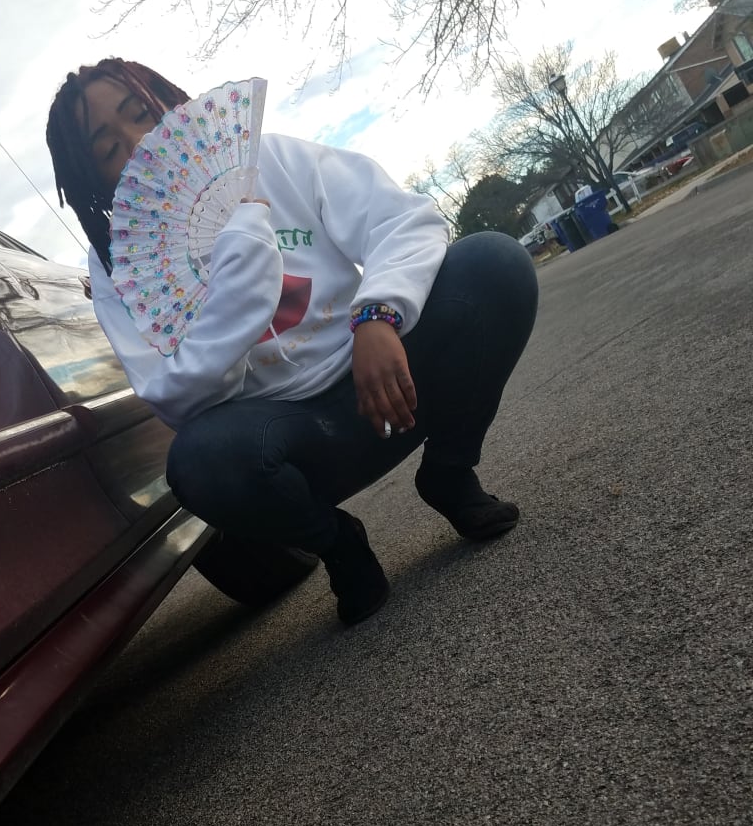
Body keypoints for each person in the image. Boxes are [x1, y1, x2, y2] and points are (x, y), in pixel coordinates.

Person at [46, 58, 537, 625]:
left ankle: (449, 473)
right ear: (94, 179)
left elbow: (403, 221)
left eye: (141, 114)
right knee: (198, 461)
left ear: (173, 107)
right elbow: (173, 396)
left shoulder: (270, 159)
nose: (139, 144)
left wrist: (377, 316)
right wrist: (239, 274)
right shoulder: (119, 268)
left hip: (384, 378)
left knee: (494, 264)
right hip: (296, 441)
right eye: (108, 149)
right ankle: (339, 545)